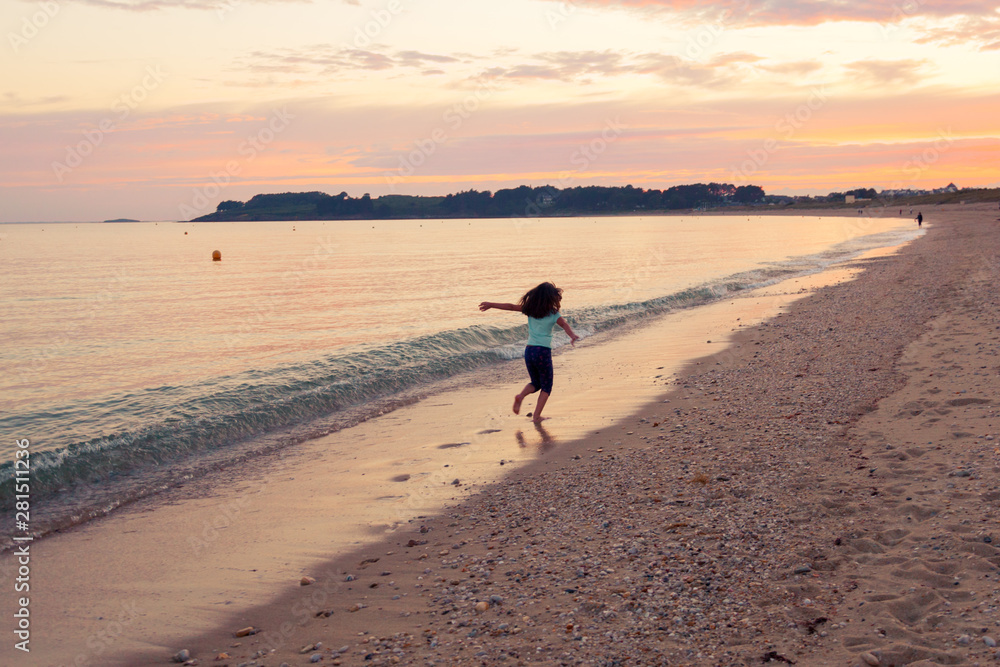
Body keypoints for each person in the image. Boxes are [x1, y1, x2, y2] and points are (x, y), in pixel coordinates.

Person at [479, 282, 579, 422]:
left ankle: (521, 396)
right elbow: (564, 324)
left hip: (529, 351)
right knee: (547, 386)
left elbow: (511, 306)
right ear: (550, 298)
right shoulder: (553, 313)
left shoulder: (531, 309)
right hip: (542, 352)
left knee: (536, 382)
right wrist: (572, 335)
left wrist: (491, 304)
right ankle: (537, 416)